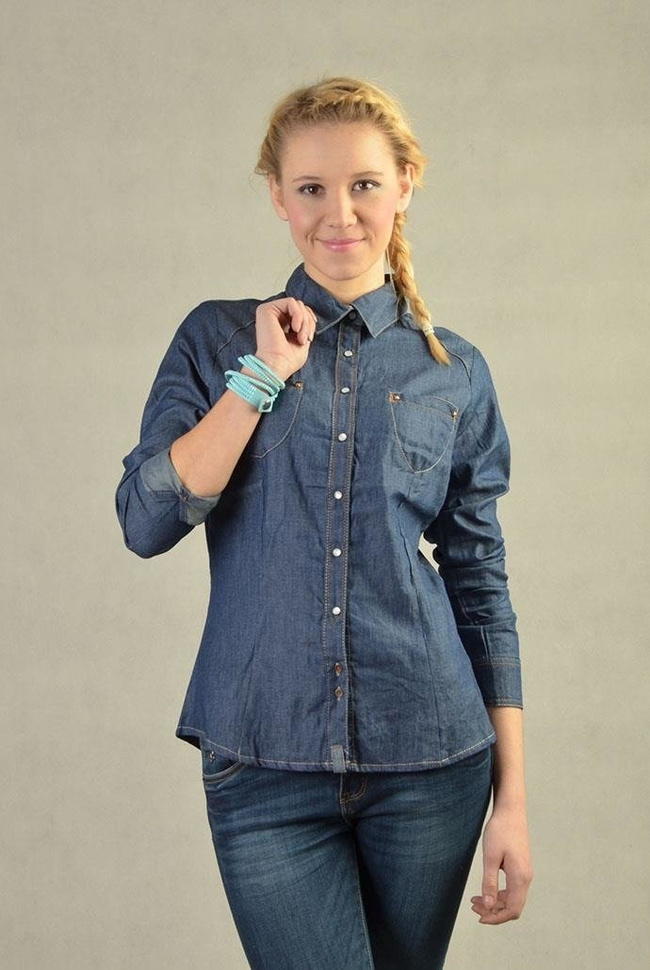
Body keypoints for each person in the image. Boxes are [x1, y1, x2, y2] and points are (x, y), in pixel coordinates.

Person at [115, 75, 532, 970]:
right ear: (278, 196)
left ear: (405, 185)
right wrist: (259, 379)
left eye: (364, 184)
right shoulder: (216, 339)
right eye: (311, 188)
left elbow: (480, 583)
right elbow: (146, 521)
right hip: (262, 759)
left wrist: (515, 803)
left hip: (431, 760)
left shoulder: (454, 370)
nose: (338, 213)